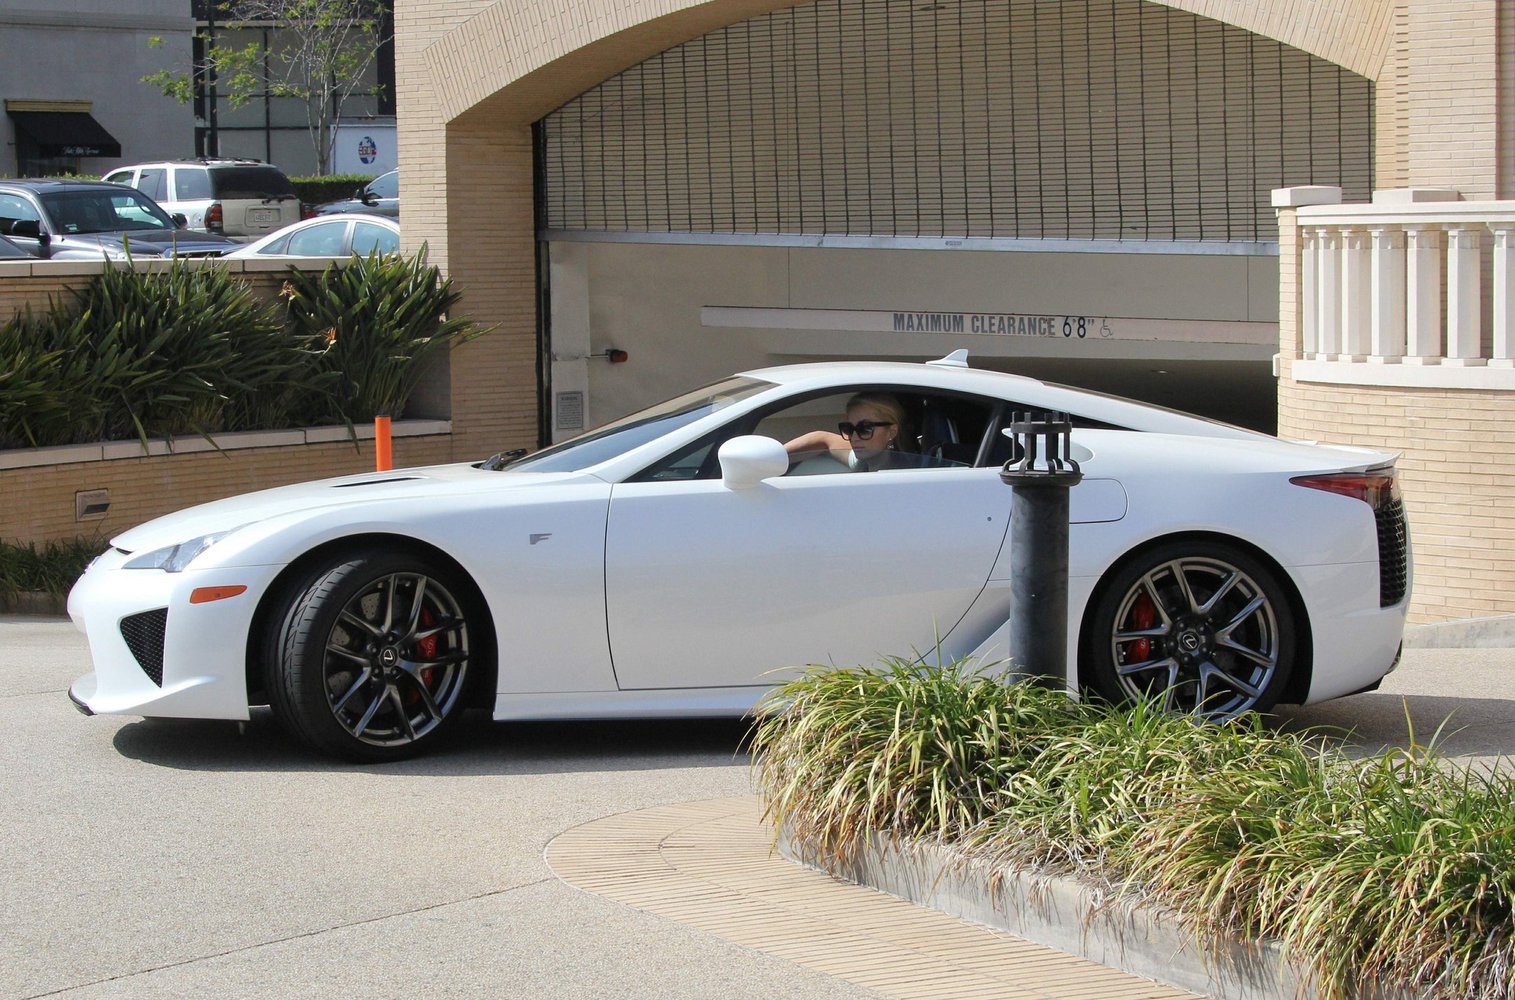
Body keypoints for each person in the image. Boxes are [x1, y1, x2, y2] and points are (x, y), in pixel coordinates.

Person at [783, 392, 917, 472]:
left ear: (891, 432)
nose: (854, 437)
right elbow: (822, 438)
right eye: (849, 428)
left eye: (865, 428)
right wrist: (776, 456)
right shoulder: (864, 460)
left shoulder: (902, 475)